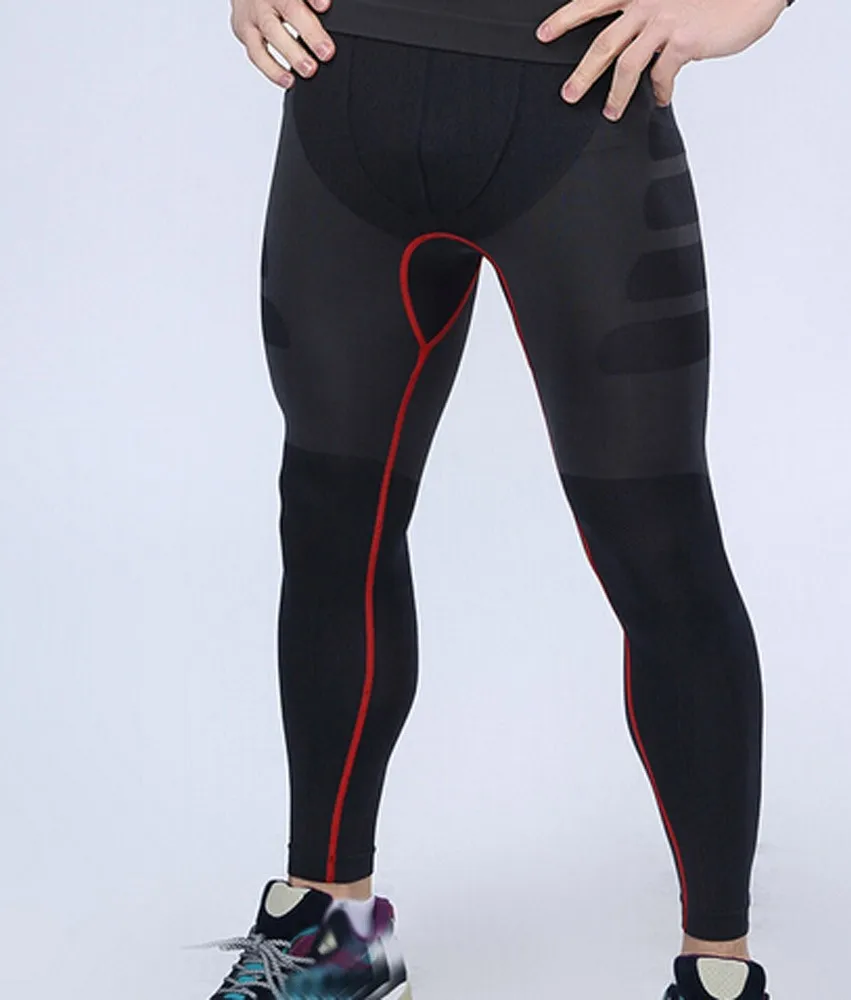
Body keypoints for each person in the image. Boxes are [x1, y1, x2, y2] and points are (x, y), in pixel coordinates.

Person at [205, 0, 797, 997]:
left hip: (576, 106)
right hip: (348, 93)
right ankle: (327, 938)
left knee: (655, 546)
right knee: (330, 521)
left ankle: (719, 972)